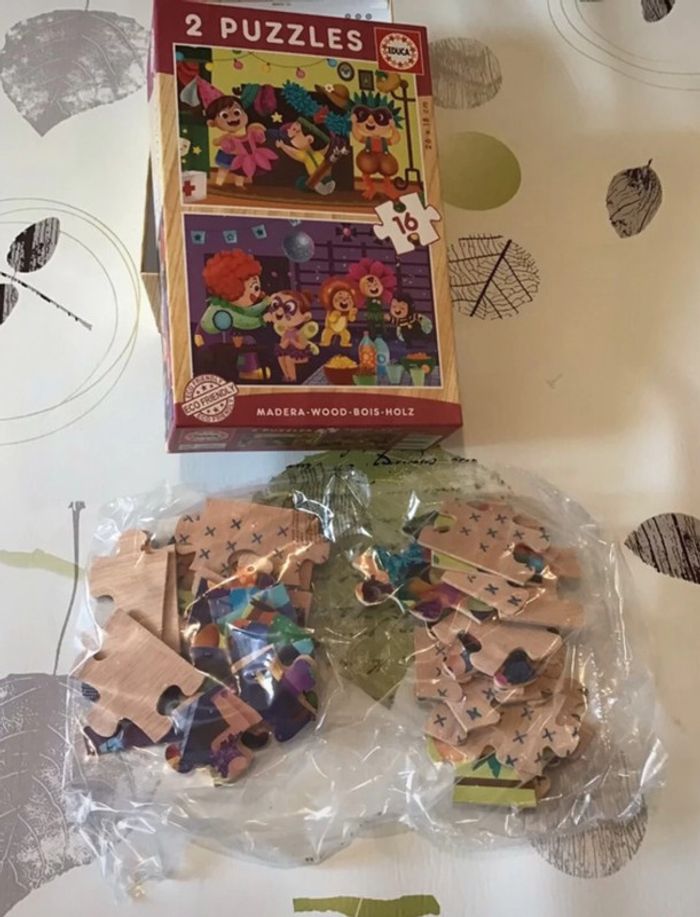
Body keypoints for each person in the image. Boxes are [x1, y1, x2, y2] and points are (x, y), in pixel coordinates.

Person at [195, 250, 273, 381]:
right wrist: (262, 319)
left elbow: (248, 311)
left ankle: (247, 370)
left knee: (248, 341)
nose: (257, 294)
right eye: (254, 288)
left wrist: (265, 303)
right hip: (210, 343)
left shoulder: (230, 305)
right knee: (232, 351)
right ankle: (243, 373)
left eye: (257, 288)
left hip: (221, 339)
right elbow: (243, 320)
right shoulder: (222, 308)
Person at [197, 77, 278, 188]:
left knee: (241, 171)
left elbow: (259, 136)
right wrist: (223, 141)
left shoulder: (249, 131)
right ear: (212, 123)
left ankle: (239, 185)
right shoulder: (227, 136)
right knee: (223, 169)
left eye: (236, 112)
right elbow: (216, 142)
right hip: (228, 156)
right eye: (225, 115)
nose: (233, 117)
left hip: (243, 156)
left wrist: (258, 135)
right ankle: (219, 183)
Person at [269, 290, 319, 382]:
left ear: (306, 316)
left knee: (288, 359)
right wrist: (284, 344)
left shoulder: (298, 333)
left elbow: (303, 346)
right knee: (281, 357)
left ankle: (293, 378)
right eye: (276, 305)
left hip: (301, 355)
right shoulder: (285, 332)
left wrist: (294, 343)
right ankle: (286, 375)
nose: (280, 312)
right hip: (289, 353)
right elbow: (281, 346)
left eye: (288, 308)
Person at [319, 277, 360, 347]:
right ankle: (325, 341)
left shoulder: (346, 313)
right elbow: (331, 320)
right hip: (331, 328)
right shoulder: (332, 312)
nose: (344, 301)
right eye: (340, 298)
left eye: (347, 298)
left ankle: (344, 342)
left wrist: (352, 314)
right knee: (326, 334)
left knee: (346, 335)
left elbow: (351, 319)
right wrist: (335, 316)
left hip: (342, 329)